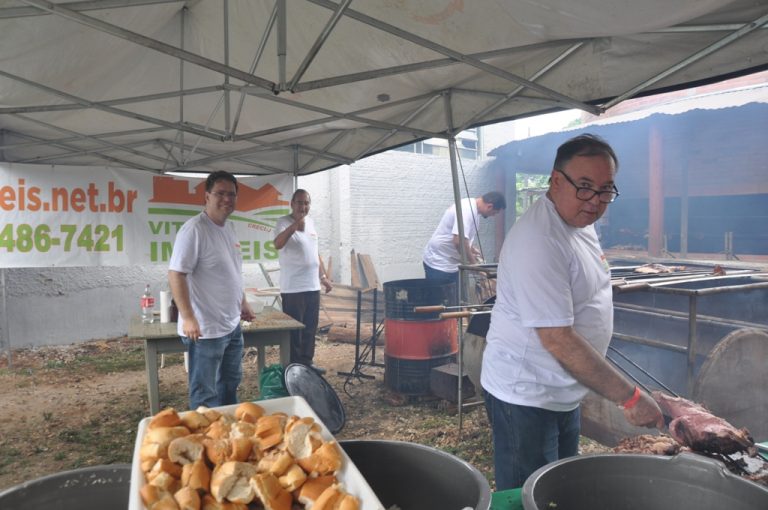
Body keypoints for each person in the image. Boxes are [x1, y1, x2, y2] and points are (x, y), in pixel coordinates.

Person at [481, 134, 664, 490]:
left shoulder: (579, 220)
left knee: (561, 487)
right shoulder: (539, 240)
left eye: (605, 189)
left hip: (562, 389)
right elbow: (558, 339)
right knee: (529, 494)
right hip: (526, 395)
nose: (595, 201)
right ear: (555, 180)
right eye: (584, 186)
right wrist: (630, 397)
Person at [168, 170, 256, 410]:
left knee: (229, 385)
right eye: (220, 193)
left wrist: (243, 302)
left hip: (231, 325)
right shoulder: (194, 230)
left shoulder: (229, 228)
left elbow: (233, 271)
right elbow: (176, 274)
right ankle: (204, 433)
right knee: (204, 395)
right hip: (205, 330)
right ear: (207, 196)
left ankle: (228, 430)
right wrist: (188, 317)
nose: (227, 199)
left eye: (231, 194)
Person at [274, 189, 332, 373]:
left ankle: (307, 363)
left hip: (312, 286)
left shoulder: (311, 223)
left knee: (310, 328)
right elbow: (277, 244)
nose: (303, 207)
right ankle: (293, 368)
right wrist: (294, 226)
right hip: (293, 288)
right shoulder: (283, 222)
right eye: (299, 203)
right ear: (291, 204)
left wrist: (323, 277)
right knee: (295, 330)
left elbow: (314, 253)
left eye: (306, 203)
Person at [422, 191, 506, 288]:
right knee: (441, 296)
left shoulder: (474, 211)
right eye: (494, 213)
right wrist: (475, 266)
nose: (493, 216)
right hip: (439, 263)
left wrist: (472, 249)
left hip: (451, 263)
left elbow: (464, 238)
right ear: (489, 206)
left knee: (455, 295)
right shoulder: (467, 210)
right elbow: (458, 242)